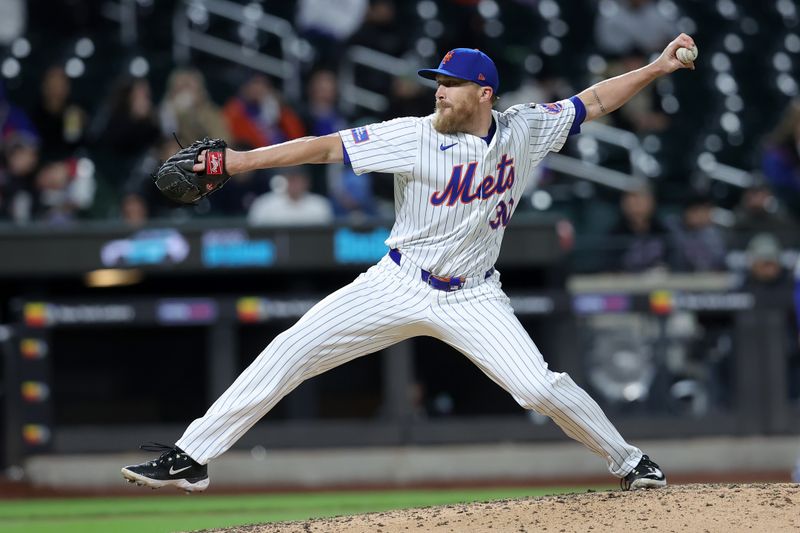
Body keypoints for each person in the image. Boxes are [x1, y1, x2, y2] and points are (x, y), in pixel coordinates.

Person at [121, 33, 700, 493]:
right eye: (437, 83)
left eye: (450, 84)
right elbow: (325, 148)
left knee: (540, 389)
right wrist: (240, 161)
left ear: (484, 94)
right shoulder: (412, 135)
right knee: (290, 348)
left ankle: (631, 462)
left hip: (474, 295)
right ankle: (192, 455)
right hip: (397, 281)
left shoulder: (525, 128)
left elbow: (593, 101)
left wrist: (657, 67)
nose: (439, 92)